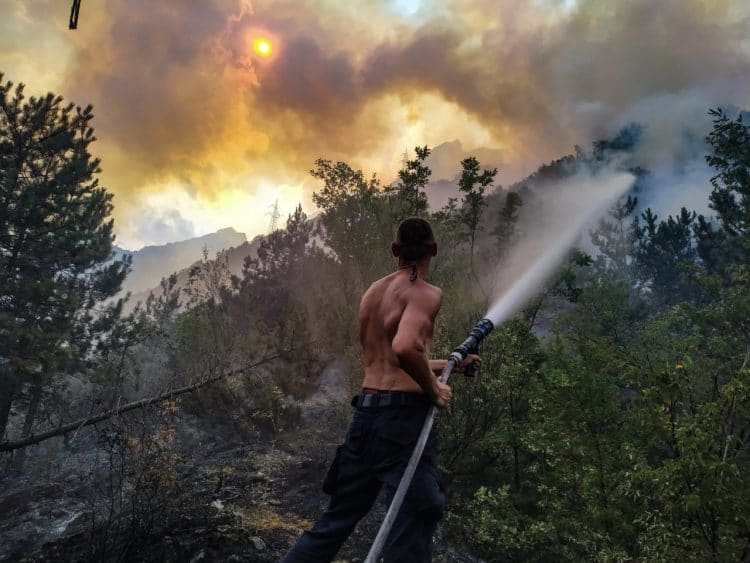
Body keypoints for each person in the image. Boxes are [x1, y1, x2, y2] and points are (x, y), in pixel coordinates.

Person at [282, 217, 479, 562]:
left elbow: (388, 360)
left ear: (394, 251)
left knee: (336, 520)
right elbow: (405, 348)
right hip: (401, 423)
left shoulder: (374, 292)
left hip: (366, 416)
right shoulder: (426, 294)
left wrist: (449, 366)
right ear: (434, 249)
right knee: (417, 513)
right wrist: (434, 388)